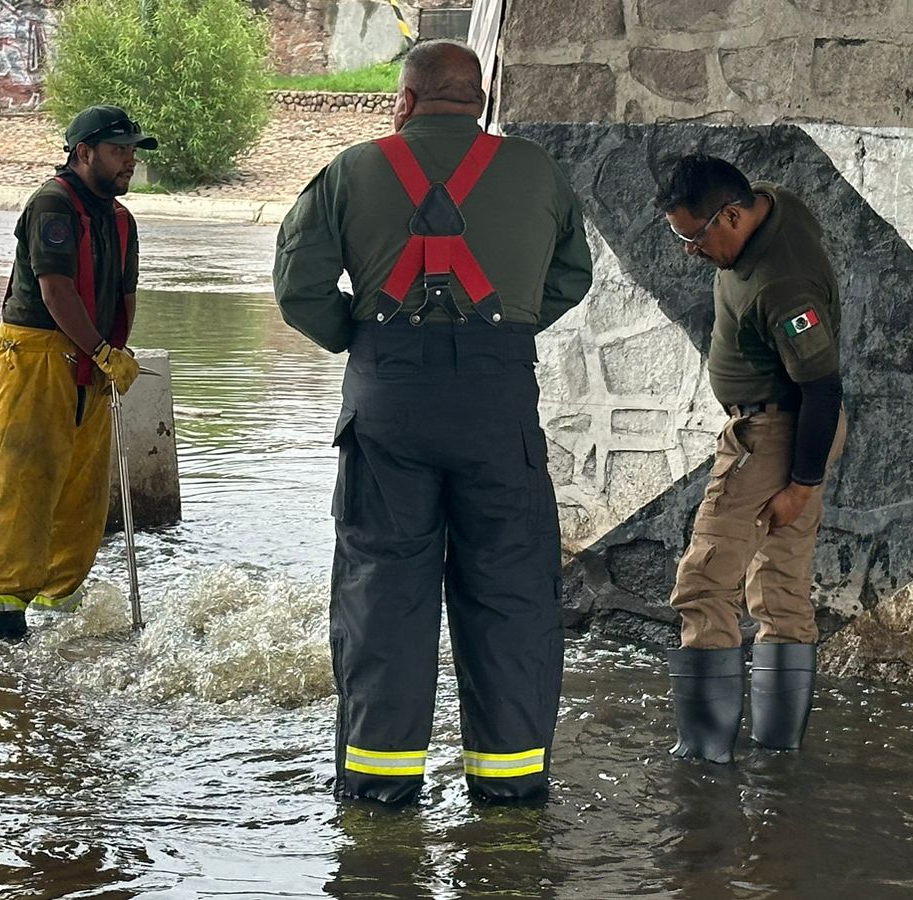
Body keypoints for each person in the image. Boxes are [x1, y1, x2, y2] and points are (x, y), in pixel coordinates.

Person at [273, 39, 593, 804]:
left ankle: (382, 797)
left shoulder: (351, 170)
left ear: (405, 101)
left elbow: (298, 286)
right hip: (498, 405)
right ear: (478, 103)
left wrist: (365, 337)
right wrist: (504, 328)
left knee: (384, 594)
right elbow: (572, 275)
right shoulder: (537, 172)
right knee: (511, 594)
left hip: (390, 407)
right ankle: (509, 793)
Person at [655, 154, 848, 762]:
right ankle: (777, 750)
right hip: (779, 427)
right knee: (782, 585)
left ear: (733, 215)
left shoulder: (782, 285)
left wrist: (799, 484)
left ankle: (703, 758)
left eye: (694, 236)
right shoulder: (773, 202)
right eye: (678, 234)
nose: (689, 250)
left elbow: (822, 387)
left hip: (773, 434)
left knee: (704, 583)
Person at [0, 105, 156, 641]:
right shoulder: (52, 203)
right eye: (119, 151)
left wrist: (115, 352)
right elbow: (56, 290)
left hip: (94, 361)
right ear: (83, 153)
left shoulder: (120, 219)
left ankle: (58, 598)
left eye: (132, 151)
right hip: (35, 358)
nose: (129, 162)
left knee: (83, 491)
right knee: (21, 482)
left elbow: (125, 294)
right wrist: (99, 348)